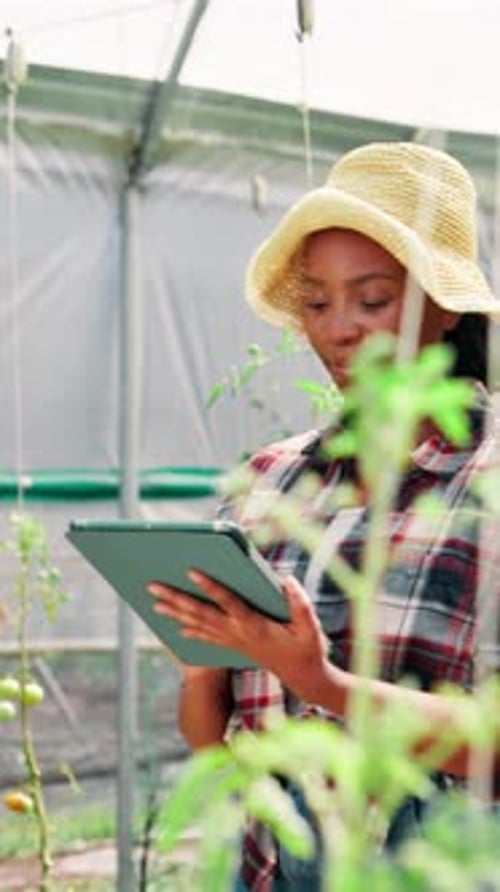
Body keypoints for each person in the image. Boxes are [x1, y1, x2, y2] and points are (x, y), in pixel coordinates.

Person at [148, 142, 500, 890]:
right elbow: (218, 744)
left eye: (372, 299)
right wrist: (203, 663)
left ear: (444, 306)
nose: (338, 328)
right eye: (316, 302)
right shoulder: (271, 483)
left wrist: (319, 679)